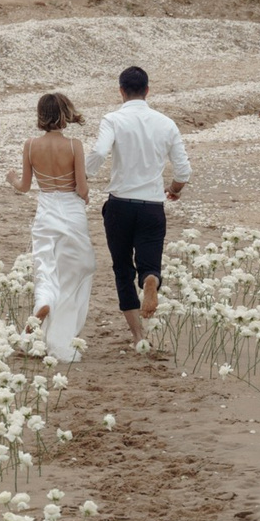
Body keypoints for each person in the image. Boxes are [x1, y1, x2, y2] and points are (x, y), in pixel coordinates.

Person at [85, 65, 189, 346]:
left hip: (120, 205)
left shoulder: (113, 119)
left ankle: (137, 335)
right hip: (152, 205)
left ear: (121, 91)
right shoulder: (166, 123)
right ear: (147, 91)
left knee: (122, 269)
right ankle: (151, 280)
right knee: (149, 263)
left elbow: (99, 151)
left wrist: (84, 174)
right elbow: (182, 169)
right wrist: (175, 189)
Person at [6, 91, 92, 363]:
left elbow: (24, 186)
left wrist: (11, 179)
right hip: (71, 210)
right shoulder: (74, 145)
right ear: (65, 114)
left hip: (46, 211)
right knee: (76, 270)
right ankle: (62, 335)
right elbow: (81, 188)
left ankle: (43, 302)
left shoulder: (31, 145)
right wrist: (86, 195)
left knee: (45, 265)